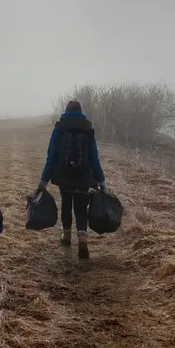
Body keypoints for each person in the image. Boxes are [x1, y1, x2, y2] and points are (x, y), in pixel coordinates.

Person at [38, 100, 106, 259]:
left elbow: (51, 156)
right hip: (83, 177)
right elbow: (94, 157)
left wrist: (44, 180)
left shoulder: (60, 128)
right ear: (81, 111)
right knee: (81, 208)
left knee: (66, 205)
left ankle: (67, 237)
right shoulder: (88, 128)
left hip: (64, 176)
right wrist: (101, 180)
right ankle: (82, 242)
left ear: (66, 110)